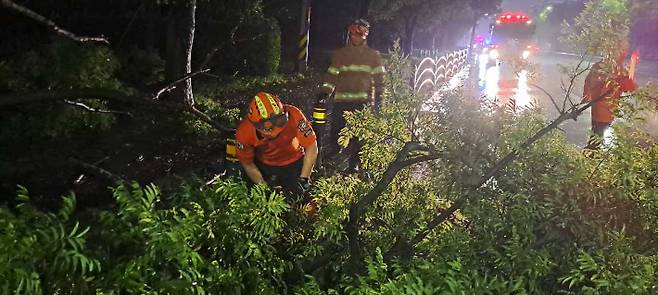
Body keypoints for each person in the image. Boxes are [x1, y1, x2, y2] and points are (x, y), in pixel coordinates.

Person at [316, 18, 386, 173]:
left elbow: (379, 81)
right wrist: (324, 92)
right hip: (342, 101)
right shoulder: (340, 54)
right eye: (352, 33)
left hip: (362, 103)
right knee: (336, 130)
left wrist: (379, 101)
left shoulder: (373, 56)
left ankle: (354, 165)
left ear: (365, 35)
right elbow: (332, 75)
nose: (354, 36)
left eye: (358, 33)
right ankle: (333, 157)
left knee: (359, 136)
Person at [235, 92, 318, 200]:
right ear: (256, 126)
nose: (276, 133)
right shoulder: (244, 132)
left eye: (280, 122)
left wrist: (304, 179)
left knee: (300, 200)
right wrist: (263, 188)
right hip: (265, 165)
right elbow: (248, 164)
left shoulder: (294, 114)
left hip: (295, 162)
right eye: (269, 130)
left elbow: (311, 145)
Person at [583, 46, 637, 149]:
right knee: (598, 136)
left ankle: (588, 155)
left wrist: (587, 97)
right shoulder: (618, 71)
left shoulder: (597, 66)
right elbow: (630, 87)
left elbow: (587, 82)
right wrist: (632, 67)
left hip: (596, 108)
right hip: (607, 111)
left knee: (595, 133)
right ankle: (590, 156)